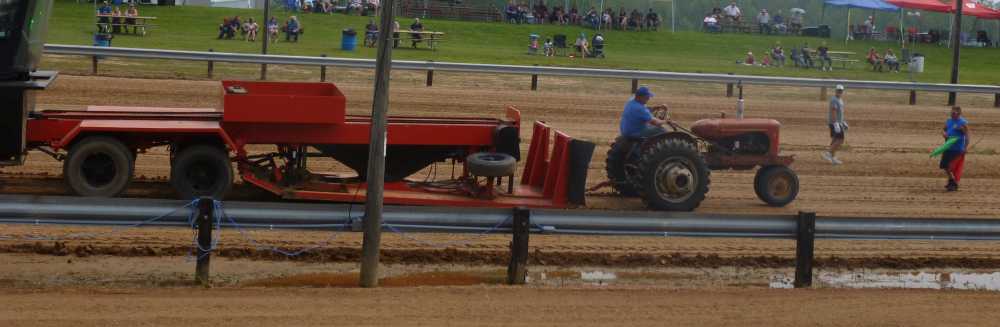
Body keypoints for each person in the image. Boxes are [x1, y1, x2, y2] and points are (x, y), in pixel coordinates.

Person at [940, 106, 969, 191]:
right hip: (948, 147)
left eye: (954, 113)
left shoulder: (963, 122)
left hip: (957, 148)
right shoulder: (949, 121)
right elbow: (943, 129)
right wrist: (944, 133)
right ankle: (952, 181)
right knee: (944, 165)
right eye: (951, 112)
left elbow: (967, 135)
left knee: (951, 166)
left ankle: (953, 183)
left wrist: (965, 147)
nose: (952, 114)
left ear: (959, 114)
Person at [823, 85, 847, 165]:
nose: (839, 92)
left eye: (841, 91)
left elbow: (840, 113)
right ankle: (828, 153)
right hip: (834, 123)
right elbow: (833, 111)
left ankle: (833, 157)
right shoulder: (834, 99)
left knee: (835, 140)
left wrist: (843, 122)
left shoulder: (840, 100)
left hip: (838, 122)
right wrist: (836, 123)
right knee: (840, 140)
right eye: (838, 90)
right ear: (835, 90)